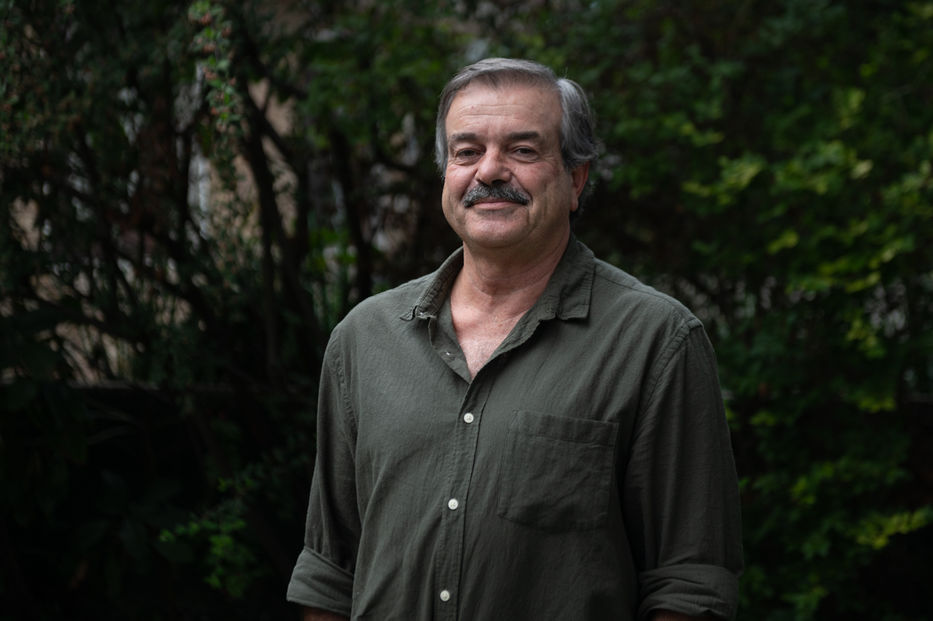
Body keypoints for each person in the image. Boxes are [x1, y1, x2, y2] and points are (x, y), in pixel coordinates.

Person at [286, 58, 743, 620]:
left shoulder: (655, 342)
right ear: (446, 175)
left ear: (575, 180)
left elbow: (688, 586)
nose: (490, 171)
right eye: (466, 152)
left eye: (523, 150)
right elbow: (329, 575)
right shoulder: (364, 339)